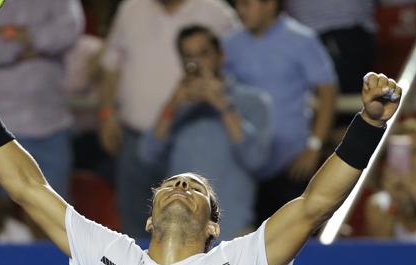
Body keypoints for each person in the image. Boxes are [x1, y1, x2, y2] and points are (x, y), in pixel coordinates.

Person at [0, 45, 401, 265]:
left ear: (215, 227)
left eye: (196, 189)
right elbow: (27, 187)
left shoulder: (241, 263)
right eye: (173, 183)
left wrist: (368, 125)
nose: (180, 186)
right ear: (149, 216)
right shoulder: (109, 254)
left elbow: (315, 203)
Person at [98, 0, 239, 239]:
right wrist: (106, 113)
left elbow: (236, 66)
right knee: (135, 226)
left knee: (194, 228)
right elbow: (111, 66)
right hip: (135, 135)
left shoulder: (217, 13)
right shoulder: (131, 9)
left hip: (192, 138)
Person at [138, 25, 271, 240]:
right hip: (179, 235)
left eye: (204, 53)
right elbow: (147, 155)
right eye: (188, 56)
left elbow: (256, 161)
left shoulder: (253, 102)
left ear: (221, 56)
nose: (197, 63)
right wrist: (172, 105)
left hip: (234, 233)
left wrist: (222, 105)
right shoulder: (177, 107)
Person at [224, 0, 337, 224]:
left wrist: (314, 146)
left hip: (292, 164)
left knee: (294, 240)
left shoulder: (301, 39)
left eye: (247, 4)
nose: (240, 10)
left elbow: (328, 91)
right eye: (238, 4)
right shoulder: (230, 44)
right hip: (246, 165)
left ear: (270, 5)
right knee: (248, 246)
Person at [0, 0, 85, 199]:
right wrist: (25, 46)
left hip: (49, 127)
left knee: (52, 221)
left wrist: (13, 36)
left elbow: (69, 29)